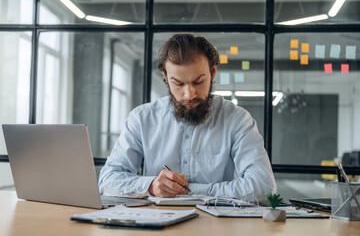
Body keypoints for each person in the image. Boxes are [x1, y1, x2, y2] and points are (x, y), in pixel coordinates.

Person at [98, 33, 276, 200]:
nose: (189, 94)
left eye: (198, 82)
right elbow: (107, 180)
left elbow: (263, 187)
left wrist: (191, 190)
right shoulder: (141, 118)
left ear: (213, 73)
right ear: (166, 78)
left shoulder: (237, 119)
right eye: (179, 83)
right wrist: (151, 185)